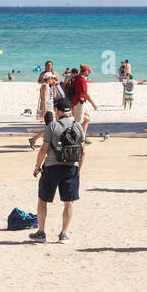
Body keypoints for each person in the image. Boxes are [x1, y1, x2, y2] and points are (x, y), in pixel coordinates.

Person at [28, 98, 85, 243]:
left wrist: (37, 166)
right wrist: (79, 169)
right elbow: (82, 152)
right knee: (69, 202)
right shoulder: (78, 126)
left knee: (43, 199)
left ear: (57, 111)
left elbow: (44, 149)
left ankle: (41, 232)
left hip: (52, 166)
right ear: (70, 111)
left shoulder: (52, 126)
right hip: (71, 167)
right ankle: (63, 234)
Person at [68, 64, 96, 137]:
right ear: (85, 71)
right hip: (79, 102)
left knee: (87, 118)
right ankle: (75, 139)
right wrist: (93, 104)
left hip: (80, 102)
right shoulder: (81, 79)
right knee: (78, 122)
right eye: (89, 71)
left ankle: (83, 136)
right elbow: (85, 93)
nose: (89, 73)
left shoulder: (78, 77)